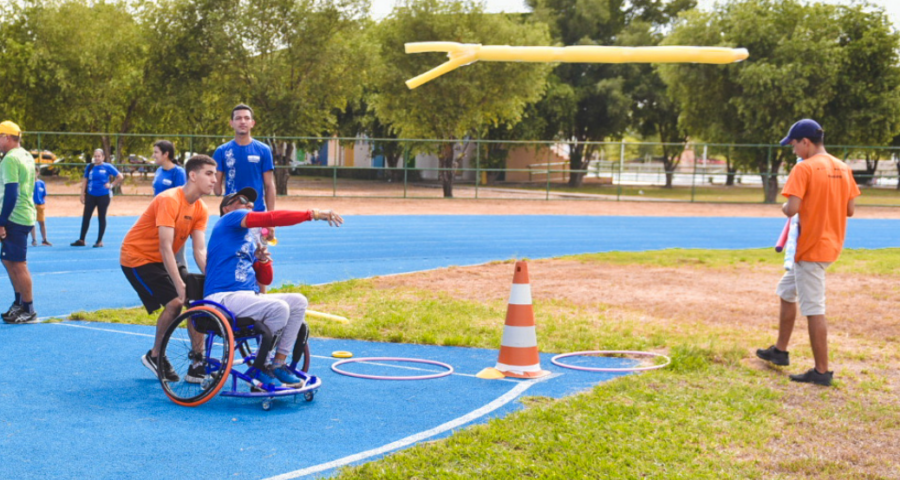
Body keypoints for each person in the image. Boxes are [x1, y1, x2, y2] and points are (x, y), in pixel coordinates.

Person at [756, 119, 860, 387]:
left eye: (793, 144)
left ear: (806, 142)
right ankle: (779, 351)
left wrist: (783, 207)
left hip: (810, 247)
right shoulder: (843, 167)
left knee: (814, 308)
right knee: (786, 291)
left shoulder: (804, 168)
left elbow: (791, 209)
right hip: (831, 243)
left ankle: (822, 372)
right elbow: (850, 210)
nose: (793, 149)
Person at [204, 186, 342, 387]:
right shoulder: (228, 219)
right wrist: (314, 214)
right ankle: (263, 365)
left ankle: (278, 363)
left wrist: (263, 261)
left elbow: (265, 280)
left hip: (244, 297)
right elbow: (271, 218)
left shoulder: (248, 240)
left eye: (250, 202)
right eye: (242, 199)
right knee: (279, 307)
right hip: (222, 298)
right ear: (226, 208)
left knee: (298, 301)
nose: (248, 204)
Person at [120, 155, 217, 382]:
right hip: (137, 257)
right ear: (193, 176)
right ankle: (155, 355)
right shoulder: (170, 199)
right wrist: (179, 284)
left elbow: (199, 252)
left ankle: (197, 361)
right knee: (175, 302)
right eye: (209, 174)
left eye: (215, 174)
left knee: (196, 300)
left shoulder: (201, 209)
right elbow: (165, 247)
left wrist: (215, 278)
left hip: (162, 259)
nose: (214, 179)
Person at [213, 104, 277, 240]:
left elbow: (269, 185)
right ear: (231, 123)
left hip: (257, 214)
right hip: (232, 216)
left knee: (259, 258)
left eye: (246, 118)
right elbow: (216, 190)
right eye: (238, 118)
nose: (242, 121)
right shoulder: (221, 151)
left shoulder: (263, 150)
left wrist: (271, 219)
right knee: (233, 257)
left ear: (252, 123)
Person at [0, 121, 39, 324]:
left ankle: (28, 308)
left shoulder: (10, 159)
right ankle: (19, 303)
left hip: (15, 216)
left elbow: (11, 192)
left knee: (18, 264)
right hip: (23, 213)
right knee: (8, 260)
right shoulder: (25, 154)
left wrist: (2, 221)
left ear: (7, 137)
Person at [71, 148, 124, 248]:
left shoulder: (107, 166)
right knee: (86, 217)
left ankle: (99, 241)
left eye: (99, 156)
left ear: (103, 157)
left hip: (103, 196)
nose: (96, 158)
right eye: (95, 156)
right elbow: (85, 180)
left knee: (101, 217)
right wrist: (82, 194)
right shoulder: (90, 167)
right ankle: (82, 239)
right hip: (91, 195)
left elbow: (120, 176)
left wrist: (111, 185)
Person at [151, 140, 188, 273]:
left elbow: (182, 198)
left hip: (174, 220)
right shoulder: (159, 171)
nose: (153, 155)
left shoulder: (178, 172)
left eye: (156, 152)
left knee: (177, 256)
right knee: (161, 254)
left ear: (166, 154)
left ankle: (186, 286)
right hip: (159, 219)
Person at [31, 166, 51, 246]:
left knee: (42, 223)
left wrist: (42, 203)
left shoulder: (41, 183)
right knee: (32, 223)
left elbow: (43, 194)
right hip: (32, 206)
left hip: (40, 205)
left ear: (38, 173)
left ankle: (44, 239)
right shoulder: (29, 183)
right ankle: (34, 239)